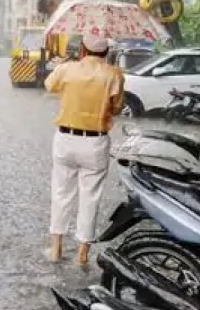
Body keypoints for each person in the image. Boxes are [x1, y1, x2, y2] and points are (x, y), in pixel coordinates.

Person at [44, 34, 125, 266]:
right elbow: (117, 108)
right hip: (95, 143)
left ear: (82, 49)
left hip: (65, 139)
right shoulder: (114, 74)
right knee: (90, 198)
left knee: (61, 193)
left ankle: (56, 248)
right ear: (106, 52)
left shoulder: (66, 69)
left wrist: (64, 64)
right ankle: (82, 254)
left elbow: (49, 85)